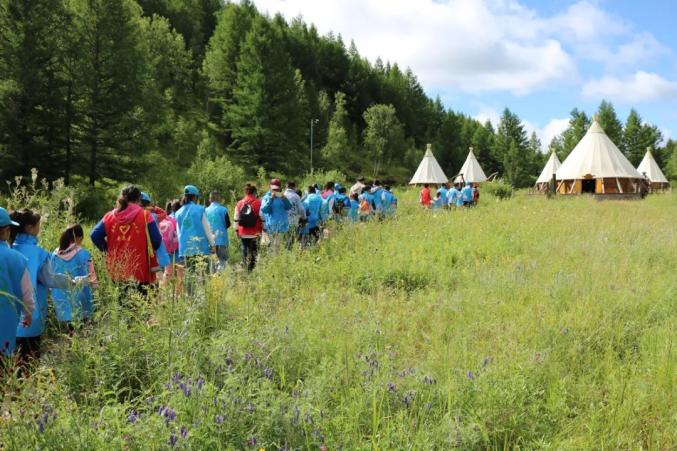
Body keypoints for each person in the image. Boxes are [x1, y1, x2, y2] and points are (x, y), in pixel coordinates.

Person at [11, 209, 75, 362]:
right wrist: (71, 282)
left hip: (7, 318)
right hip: (29, 319)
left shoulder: (8, 247)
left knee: (9, 364)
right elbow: (49, 279)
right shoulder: (38, 254)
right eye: (38, 225)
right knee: (29, 360)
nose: (39, 229)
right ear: (30, 228)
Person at [91, 185, 162, 290]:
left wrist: (108, 250)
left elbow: (95, 235)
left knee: (118, 300)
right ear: (139, 199)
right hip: (141, 272)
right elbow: (156, 241)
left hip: (115, 271)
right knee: (140, 300)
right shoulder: (145, 216)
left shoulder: (109, 216)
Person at [0, 207, 34, 357]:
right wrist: (28, 313)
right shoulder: (17, 259)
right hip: (5, 324)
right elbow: (27, 292)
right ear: (7, 231)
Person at [51, 224, 97, 332]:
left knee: (70, 330)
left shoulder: (54, 255)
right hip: (82, 300)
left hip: (61, 301)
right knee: (82, 330)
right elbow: (93, 279)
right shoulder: (85, 254)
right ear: (79, 238)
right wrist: (95, 292)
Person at [175, 185, 216, 270]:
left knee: (190, 273)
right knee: (203, 273)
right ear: (194, 197)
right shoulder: (200, 209)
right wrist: (212, 244)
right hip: (200, 247)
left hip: (185, 249)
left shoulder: (178, 212)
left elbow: (179, 234)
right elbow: (207, 229)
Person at [234, 184, 263, 272]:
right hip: (255, 231)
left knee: (245, 249)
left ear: (245, 192)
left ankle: (245, 268)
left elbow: (236, 218)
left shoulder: (239, 203)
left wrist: (236, 230)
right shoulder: (258, 202)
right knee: (254, 250)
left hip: (243, 231)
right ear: (254, 192)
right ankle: (251, 269)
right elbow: (262, 216)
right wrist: (264, 228)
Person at [261, 179, 292, 254]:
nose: (275, 190)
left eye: (277, 189)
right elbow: (264, 209)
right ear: (270, 187)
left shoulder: (282, 196)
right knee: (273, 249)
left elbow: (289, 207)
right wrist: (271, 199)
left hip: (283, 227)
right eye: (273, 189)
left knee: (281, 248)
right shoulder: (266, 197)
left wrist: (284, 199)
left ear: (280, 188)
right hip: (271, 227)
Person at [206, 191, 231, 272]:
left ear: (210, 199)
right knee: (222, 259)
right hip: (221, 239)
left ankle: (213, 276)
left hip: (209, 240)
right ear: (219, 199)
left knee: (212, 260)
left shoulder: (205, 210)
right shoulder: (223, 210)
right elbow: (228, 224)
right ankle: (220, 275)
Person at [284, 181, 306, 247]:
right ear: (293, 187)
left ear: (286, 186)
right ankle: (290, 251)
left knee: (284, 241)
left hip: (283, 222)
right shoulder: (296, 196)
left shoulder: (282, 195)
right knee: (291, 240)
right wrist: (304, 218)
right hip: (293, 221)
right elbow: (301, 209)